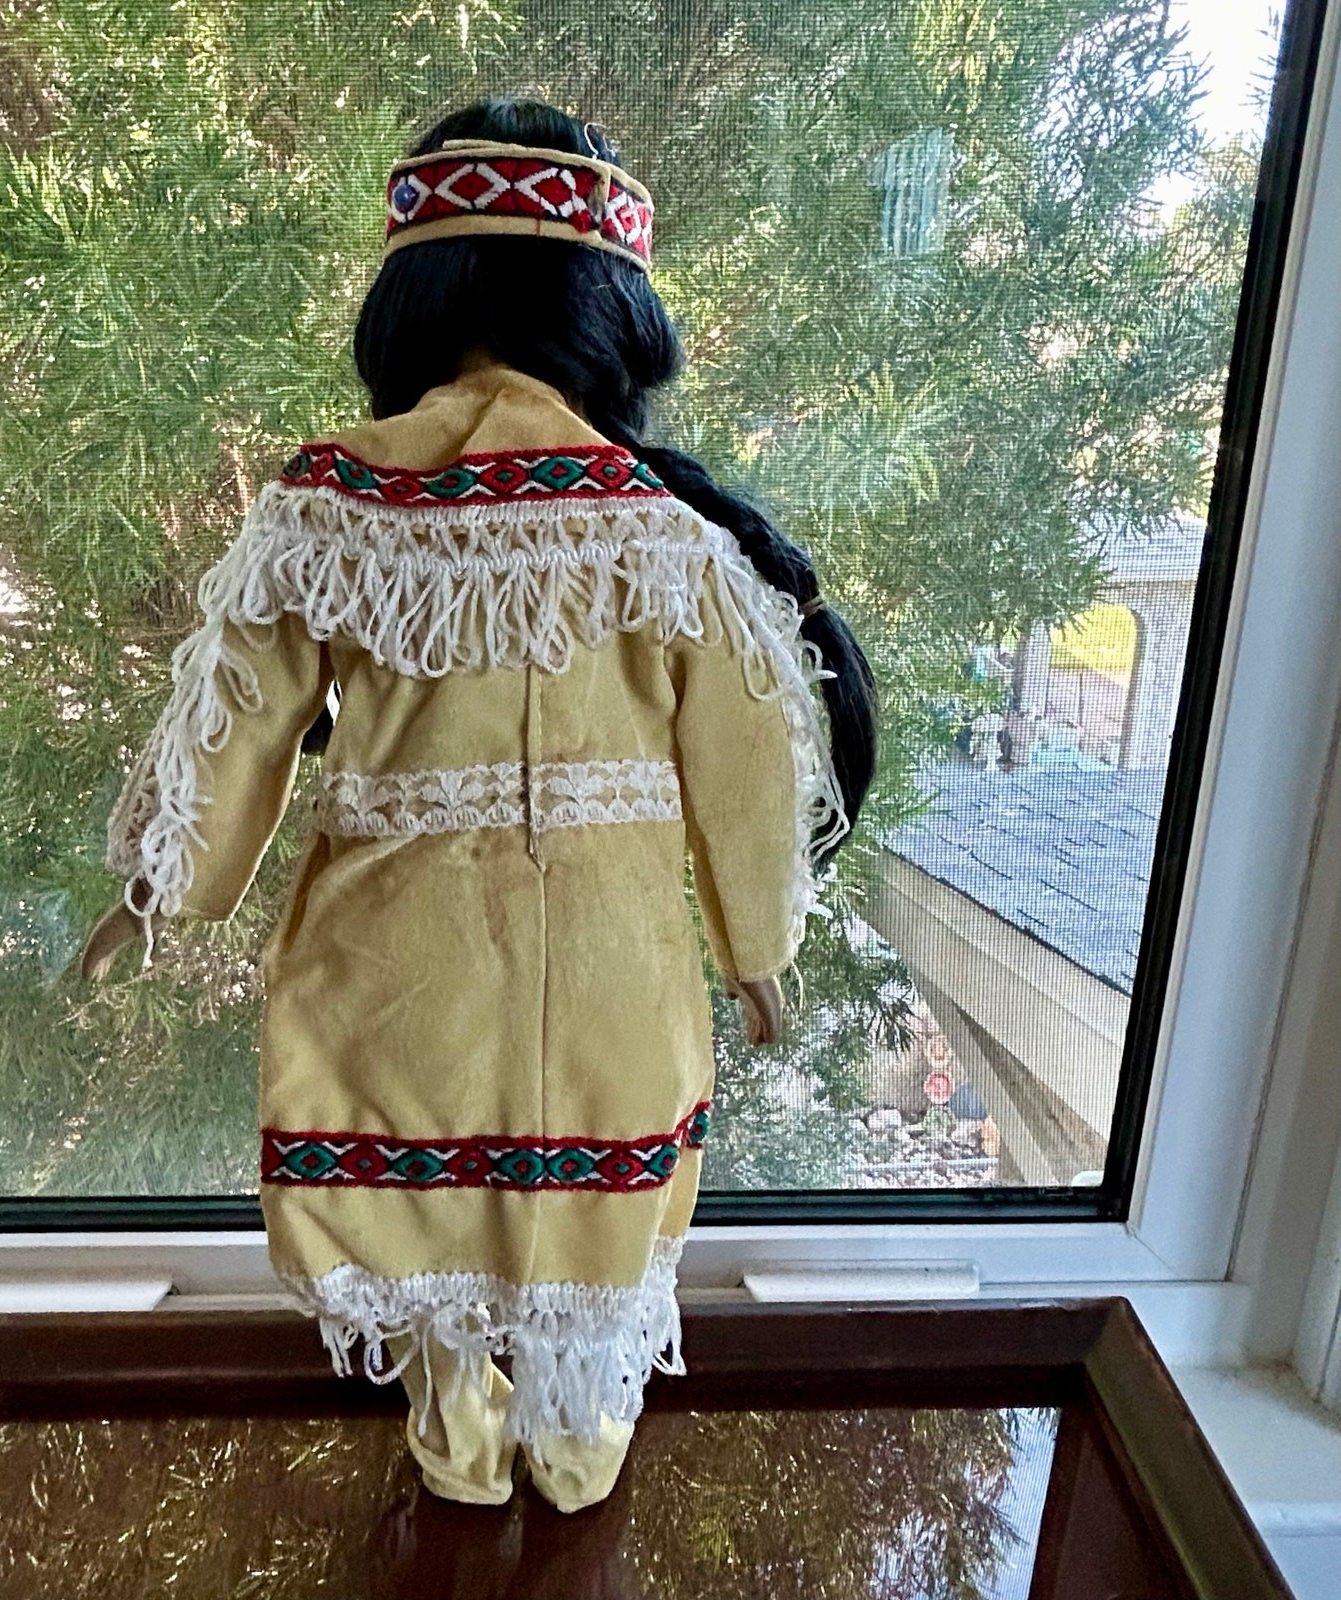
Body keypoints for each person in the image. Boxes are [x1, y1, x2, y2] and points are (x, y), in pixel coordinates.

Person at [83, 98, 876, 1512]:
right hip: (612, 985)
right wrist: (760, 948)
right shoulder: (658, 528)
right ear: (609, 311)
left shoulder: (335, 501)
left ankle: (456, 1419)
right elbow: (752, 764)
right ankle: (573, 1441)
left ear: (413, 297)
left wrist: (160, 883)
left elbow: (237, 712)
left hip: (395, 974)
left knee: (412, 1212)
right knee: (597, 1229)